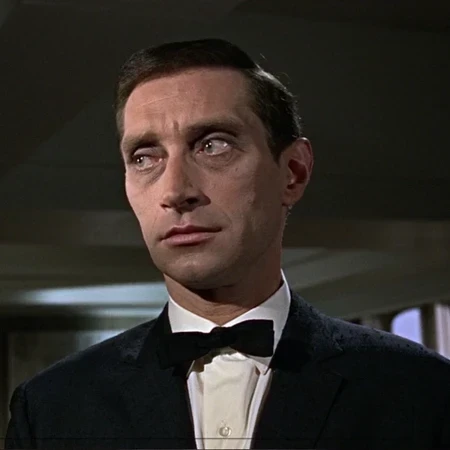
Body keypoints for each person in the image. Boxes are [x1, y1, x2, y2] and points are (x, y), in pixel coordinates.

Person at [5, 38, 450, 449]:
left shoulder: (421, 391)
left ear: (293, 172)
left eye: (212, 145)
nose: (175, 190)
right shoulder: (49, 408)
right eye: (144, 157)